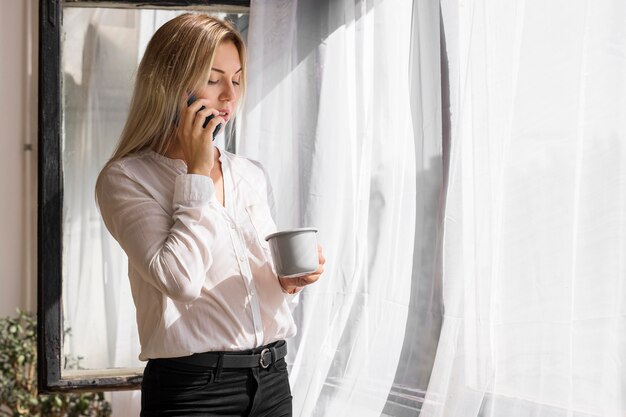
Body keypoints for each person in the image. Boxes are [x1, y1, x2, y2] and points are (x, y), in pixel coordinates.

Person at [95, 13, 325, 417]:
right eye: (214, 78)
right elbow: (179, 280)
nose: (229, 96)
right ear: (172, 84)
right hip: (194, 393)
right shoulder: (126, 178)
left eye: (236, 80)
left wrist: (288, 281)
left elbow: (253, 274)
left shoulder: (249, 173)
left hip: (272, 380)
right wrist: (197, 172)